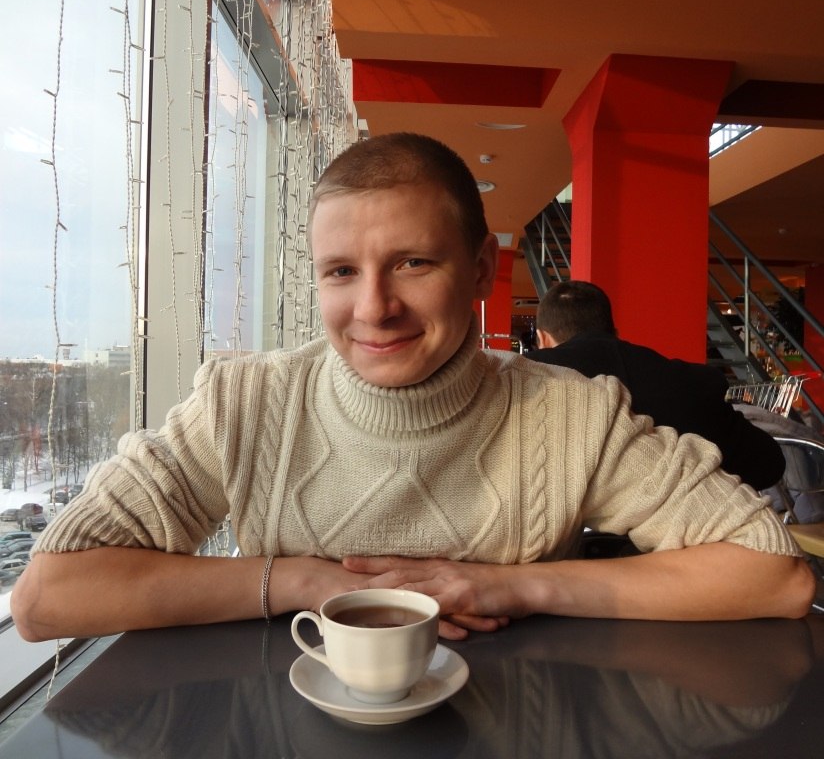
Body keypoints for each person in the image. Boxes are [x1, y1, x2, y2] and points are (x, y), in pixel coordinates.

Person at [12, 133, 814, 644]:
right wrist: (302, 579)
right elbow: (48, 596)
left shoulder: (573, 414)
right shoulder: (243, 405)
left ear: (481, 269)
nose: (374, 309)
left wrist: (515, 585)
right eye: (341, 272)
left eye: (412, 263)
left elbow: (773, 573)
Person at [526, 280, 786, 491]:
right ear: (614, 333)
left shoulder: (524, 379)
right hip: (680, 536)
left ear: (542, 338)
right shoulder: (693, 383)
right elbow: (768, 465)